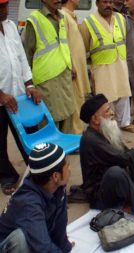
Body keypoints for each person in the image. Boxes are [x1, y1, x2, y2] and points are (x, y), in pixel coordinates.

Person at [78, 94, 134, 216]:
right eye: (107, 111)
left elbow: (126, 154)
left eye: (110, 108)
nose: (112, 113)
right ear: (95, 119)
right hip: (102, 194)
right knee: (115, 172)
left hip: (120, 179)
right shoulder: (91, 139)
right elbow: (123, 159)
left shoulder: (105, 130)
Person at [0, 143, 74, 253]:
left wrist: (65, 247)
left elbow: (60, 223)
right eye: (67, 166)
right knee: (21, 239)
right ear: (55, 176)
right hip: (7, 247)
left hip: (34, 234)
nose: (70, 168)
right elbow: (43, 248)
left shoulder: (58, 186)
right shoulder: (28, 203)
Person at [0, 0, 40, 196]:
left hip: (19, 96)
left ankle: (37, 171)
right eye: (0, 7)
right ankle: (7, 177)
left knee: (30, 136)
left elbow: (21, 58)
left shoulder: (11, 26)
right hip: (1, 98)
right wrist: (1, 95)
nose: (4, 10)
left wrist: (29, 84)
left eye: (6, 5)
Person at [80, 0, 134, 133]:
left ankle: (124, 122)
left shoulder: (120, 18)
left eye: (110, 2)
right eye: (105, 2)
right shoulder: (88, 22)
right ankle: (107, 125)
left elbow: (124, 39)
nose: (108, 5)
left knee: (123, 93)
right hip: (101, 65)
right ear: (97, 3)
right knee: (105, 96)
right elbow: (84, 47)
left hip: (120, 61)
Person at [23, 0, 75, 132]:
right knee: (50, 117)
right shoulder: (34, 20)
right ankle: (50, 149)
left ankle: (64, 147)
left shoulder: (62, 17)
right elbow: (26, 55)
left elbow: (63, 44)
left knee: (67, 113)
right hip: (46, 79)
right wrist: (28, 83)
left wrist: (71, 65)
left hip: (64, 74)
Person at [61, 0, 91, 134]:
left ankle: (77, 131)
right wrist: (71, 65)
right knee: (75, 101)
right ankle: (75, 135)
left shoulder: (71, 15)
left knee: (79, 100)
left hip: (79, 67)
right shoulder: (63, 15)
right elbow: (64, 43)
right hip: (73, 69)